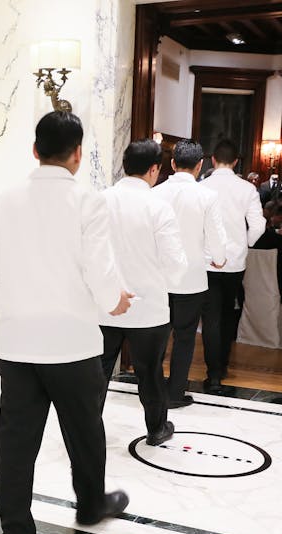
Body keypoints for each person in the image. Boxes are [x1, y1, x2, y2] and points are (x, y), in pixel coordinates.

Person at [0, 111, 133, 534]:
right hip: (73, 345)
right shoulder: (88, 200)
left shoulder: (4, 202)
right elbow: (100, 269)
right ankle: (90, 506)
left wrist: (23, 308)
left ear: (34, 150)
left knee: (16, 447)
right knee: (85, 434)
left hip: (18, 346)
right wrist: (115, 302)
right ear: (79, 153)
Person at [99, 139, 187, 444]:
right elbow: (175, 263)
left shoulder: (100, 200)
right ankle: (156, 429)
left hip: (104, 304)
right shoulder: (158, 207)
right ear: (154, 169)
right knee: (150, 373)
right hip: (148, 309)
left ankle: (84, 429)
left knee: (97, 373)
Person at [151, 139, 228, 408]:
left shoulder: (155, 193)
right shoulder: (207, 196)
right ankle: (175, 393)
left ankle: (153, 392)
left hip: (158, 279)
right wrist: (219, 259)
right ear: (199, 166)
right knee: (184, 337)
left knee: (157, 337)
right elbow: (216, 237)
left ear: (172, 163)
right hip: (191, 279)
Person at [200, 139, 265, 392]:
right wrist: (242, 245)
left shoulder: (203, 187)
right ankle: (222, 366)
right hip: (235, 264)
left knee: (210, 317)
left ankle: (213, 373)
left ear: (213, 160)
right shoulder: (247, 189)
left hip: (207, 261)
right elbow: (259, 225)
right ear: (236, 161)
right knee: (228, 314)